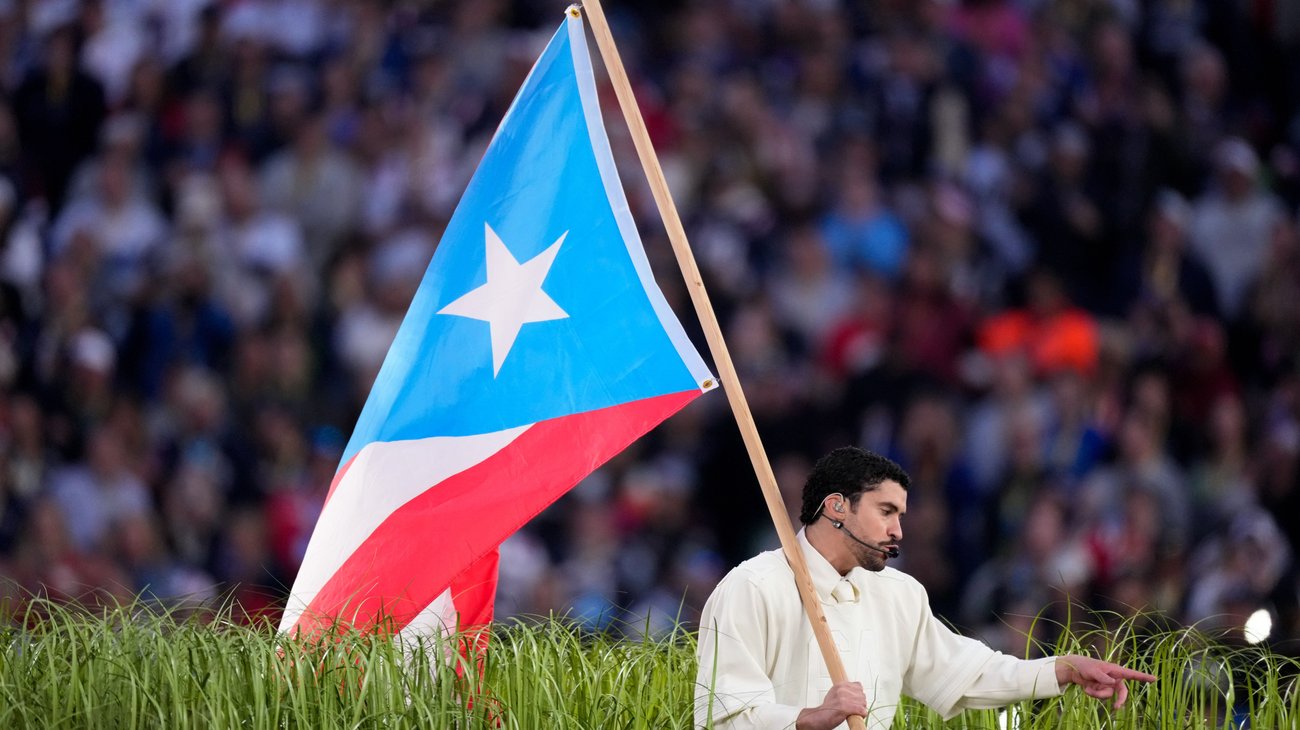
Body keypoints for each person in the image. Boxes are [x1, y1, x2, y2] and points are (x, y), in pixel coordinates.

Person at [694, 447, 1156, 729]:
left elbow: (968, 672)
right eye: (886, 511)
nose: (898, 530)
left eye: (901, 516)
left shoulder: (901, 594)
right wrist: (806, 719)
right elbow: (720, 718)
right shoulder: (751, 588)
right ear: (836, 507)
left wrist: (1063, 669)